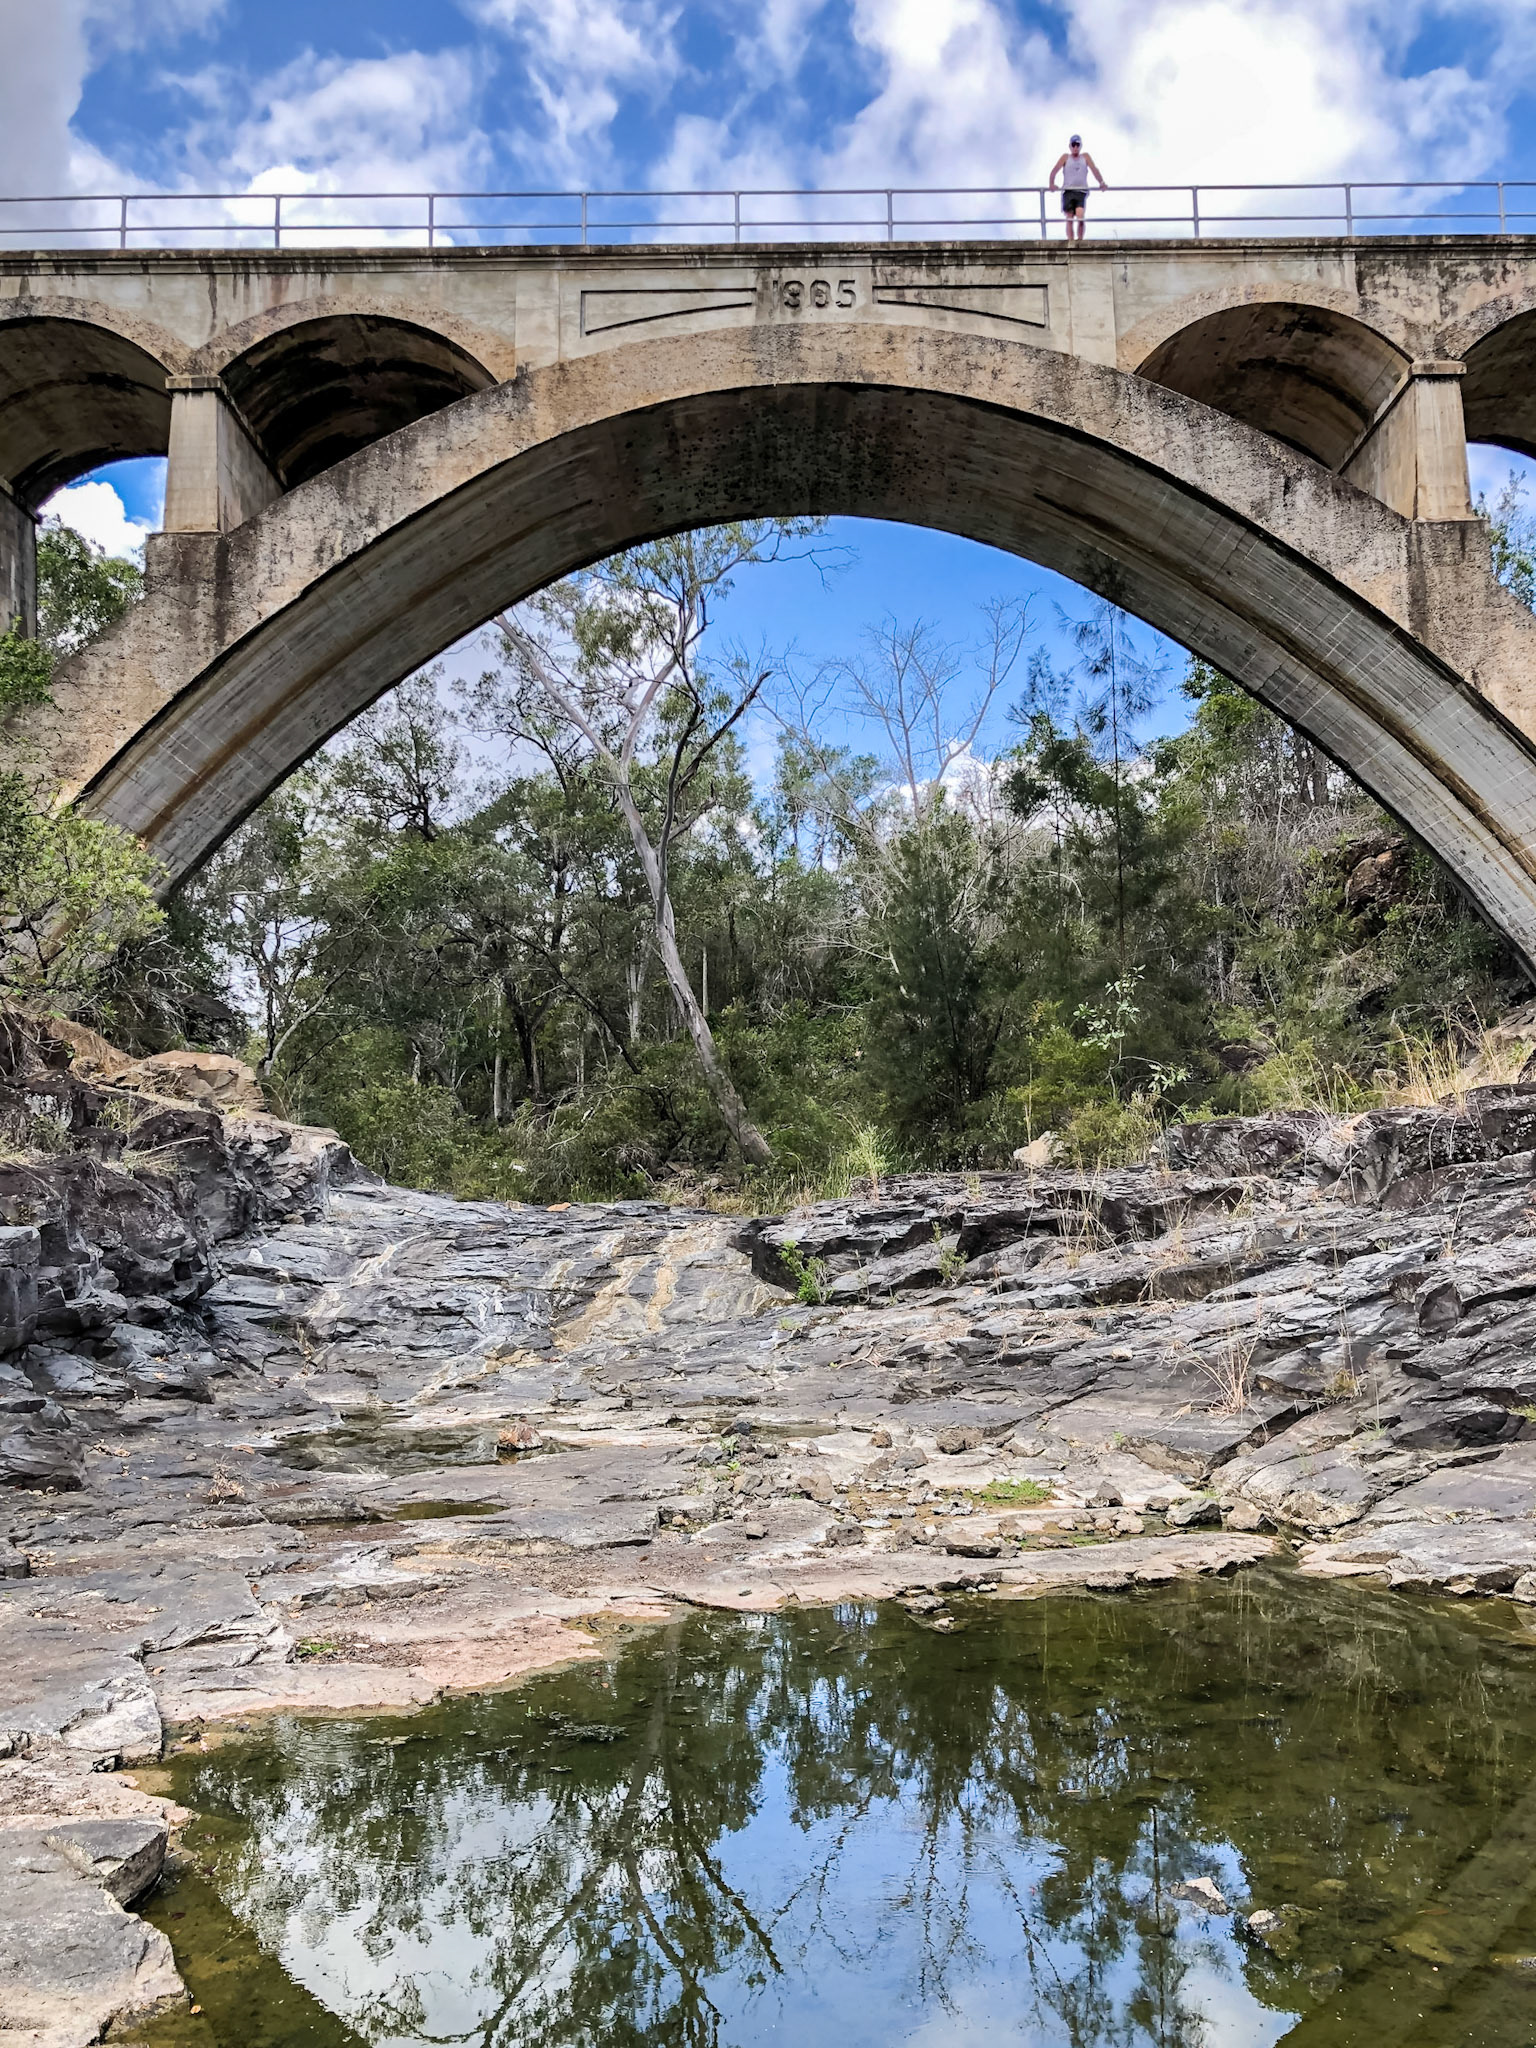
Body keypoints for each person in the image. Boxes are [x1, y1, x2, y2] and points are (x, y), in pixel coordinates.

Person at [1048, 135, 1106, 241]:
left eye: (1077, 145)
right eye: (1073, 145)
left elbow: (1094, 170)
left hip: (1081, 191)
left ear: (1080, 146)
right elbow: (1054, 170)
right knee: (1069, 218)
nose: (1075, 147)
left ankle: (1080, 240)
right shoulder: (1065, 157)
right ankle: (1071, 241)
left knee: (1080, 217)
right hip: (1068, 191)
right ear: (1070, 146)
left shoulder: (1085, 157)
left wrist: (1101, 182)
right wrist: (1051, 184)